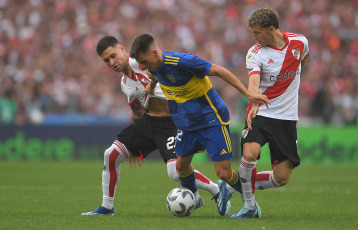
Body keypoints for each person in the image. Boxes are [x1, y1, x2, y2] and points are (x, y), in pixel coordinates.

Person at [129, 34, 270, 216]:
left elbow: (220, 71)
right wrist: (151, 86)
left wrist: (248, 93)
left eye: (144, 61)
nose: (143, 66)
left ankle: (247, 202)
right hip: (187, 123)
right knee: (181, 167)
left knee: (224, 174)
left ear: (155, 53)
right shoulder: (153, 66)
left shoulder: (183, 62)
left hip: (211, 119)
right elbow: (154, 74)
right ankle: (194, 198)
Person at [81, 36, 221, 216]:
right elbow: (137, 111)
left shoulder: (141, 63)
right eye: (107, 60)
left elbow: (162, 64)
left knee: (175, 173)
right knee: (111, 154)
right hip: (148, 123)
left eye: (113, 55)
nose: (112, 62)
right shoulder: (125, 84)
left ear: (122, 49)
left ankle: (214, 188)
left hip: (172, 123)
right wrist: (134, 145)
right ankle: (107, 207)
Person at [220, 8, 310, 219]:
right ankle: (250, 206)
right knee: (249, 154)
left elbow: (303, 60)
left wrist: (292, 79)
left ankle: (231, 188)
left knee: (282, 178)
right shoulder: (256, 52)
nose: (254, 38)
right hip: (260, 114)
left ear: (271, 29)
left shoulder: (300, 42)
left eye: (257, 32)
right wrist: (254, 100)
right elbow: (253, 83)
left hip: (287, 118)